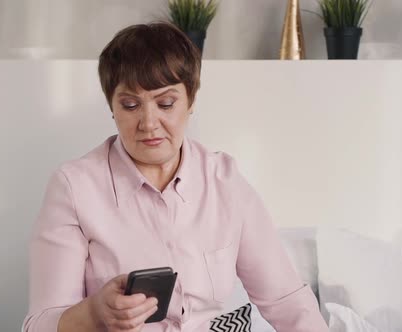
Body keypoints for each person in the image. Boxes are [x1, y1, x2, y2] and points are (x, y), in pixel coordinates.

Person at [22, 22, 329, 332]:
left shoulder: (225, 181)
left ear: (191, 100)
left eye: (166, 103)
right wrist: (94, 312)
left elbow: (286, 300)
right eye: (130, 105)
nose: (149, 122)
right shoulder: (74, 187)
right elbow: (37, 325)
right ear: (112, 107)